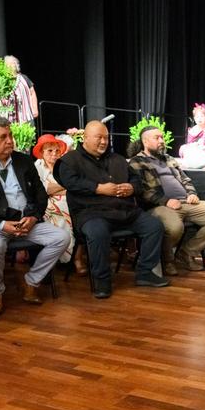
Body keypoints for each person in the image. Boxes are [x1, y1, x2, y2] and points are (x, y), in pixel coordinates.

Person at [0, 115, 69, 315]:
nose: (10, 141)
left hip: (26, 223)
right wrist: (0, 225)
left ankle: (31, 282)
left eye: (11, 135)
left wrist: (33, 217)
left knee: (61, 237)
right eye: (3, 137)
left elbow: (40, 195)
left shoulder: (23, 161)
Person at [56, 120, 168, 298]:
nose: (103, 142)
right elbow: (70, 182)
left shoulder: (117, 159)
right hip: (91, 213)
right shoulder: (69, 160)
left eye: (106, 138)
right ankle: (102, 281)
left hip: (124, 211)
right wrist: (98, 188)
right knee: (97, 232)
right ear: (85, 138)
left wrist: (131, 188)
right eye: (98, 137)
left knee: (154, 226)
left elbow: (137, 182)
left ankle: (145, 273)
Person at [128, 126, 205, 276]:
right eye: (157, 138)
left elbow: (185, 179)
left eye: (162, 137)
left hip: (186, 202)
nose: (162, 141)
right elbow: (141, 191)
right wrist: (166, 201)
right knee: (175, 228)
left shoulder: (168, 159)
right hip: (159, 206)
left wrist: (191, 193)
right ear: (145, 141)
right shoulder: (137, 162)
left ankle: (186, 252)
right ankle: (167, 260)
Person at [32, 134, 85, 272]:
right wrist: (65, 186)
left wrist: (60, 188)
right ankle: (60, 257)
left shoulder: (65, 165)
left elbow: (75, 186)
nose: (54, 154)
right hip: (45, 203)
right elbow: (44, 190)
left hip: (69, 199)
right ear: (42, 152)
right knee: (58, 215)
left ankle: (77, 258)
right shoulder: (37, 167)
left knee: (81, 215)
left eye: (57, 150)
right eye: (49, 150)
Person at [4, 55, 39, 126]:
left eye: (12, 63)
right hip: (9, 117)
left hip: (26, 115)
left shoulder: (24, 78)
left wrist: (35, 109)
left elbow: (32, 93)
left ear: (16, 65)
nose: (9, 66)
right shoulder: (3, 80)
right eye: (7, 64)